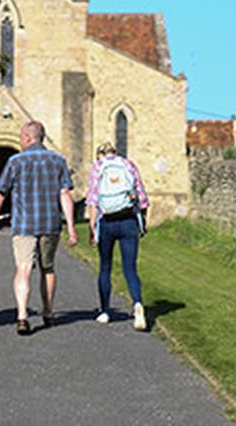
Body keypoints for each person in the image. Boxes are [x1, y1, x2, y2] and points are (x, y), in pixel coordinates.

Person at [0, 120, 78, 335]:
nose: (20, 141)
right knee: (48, 268)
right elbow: (65, 194)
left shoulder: (15, 161)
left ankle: (22, 316)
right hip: (50, 224)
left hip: (24, 225)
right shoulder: (58, 160)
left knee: (23, 269)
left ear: (28, 138)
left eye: (21, 137)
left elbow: (1, 192)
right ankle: (48, 311)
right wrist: (72, 227)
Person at [86, 142, 149, 331]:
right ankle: (137, 303)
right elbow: (142, 198)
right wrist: (142, 223)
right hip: (128, 220)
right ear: (115, 152)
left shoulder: (98, 168)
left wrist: (93, 229)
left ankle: (105, 311)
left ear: (100, 154)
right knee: (130, 268)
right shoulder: (128, 165)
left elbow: (93, 200)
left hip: (107, 222)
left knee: (105, 266)